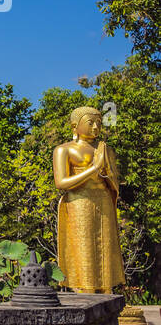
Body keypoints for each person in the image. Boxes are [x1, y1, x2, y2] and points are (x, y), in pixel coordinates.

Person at [53, 106, 125, 294]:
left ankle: (107, 291)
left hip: (103, 201)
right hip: (79, 203)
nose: (95, 127)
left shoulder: (103, 149)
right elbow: (61, 183)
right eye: (90, 123)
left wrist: (106, 172)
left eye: (99, 123)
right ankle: (85, 293)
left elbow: (113, 179)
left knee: (105, 250)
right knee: (83, 249)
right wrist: (93, 169)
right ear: (75, 126)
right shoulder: (64, 150)